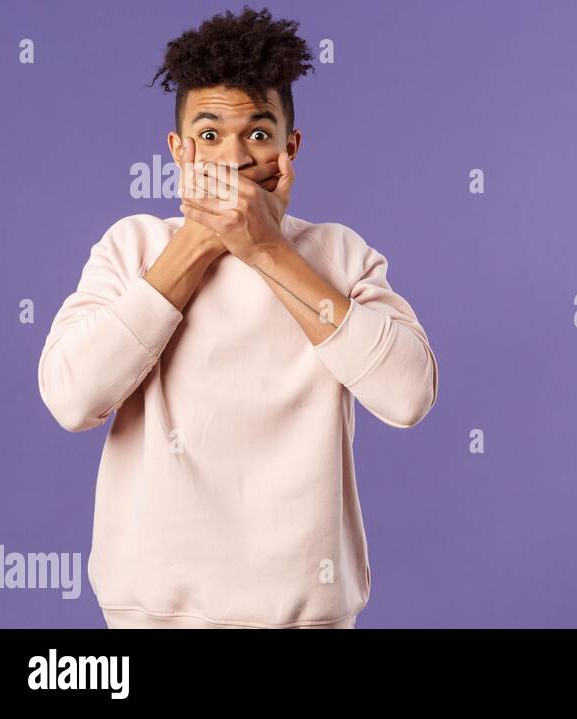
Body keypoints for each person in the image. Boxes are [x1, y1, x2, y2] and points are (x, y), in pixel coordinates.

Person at [36, 6, 438, 629]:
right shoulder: (133, 248)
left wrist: (268, 251)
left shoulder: (339, 254)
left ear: (289, 147)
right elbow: (71, 398)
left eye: (257, 132)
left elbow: (408, 394)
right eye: (208, 134)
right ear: (176, 149)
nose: (233, 157)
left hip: (306, 617)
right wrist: (198, 243)